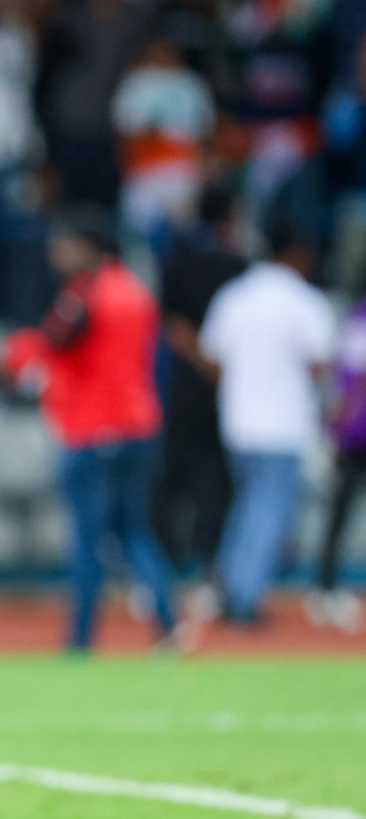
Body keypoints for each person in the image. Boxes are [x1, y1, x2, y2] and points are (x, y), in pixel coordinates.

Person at [3, 206, 179, 652]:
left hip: (91, 427)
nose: (56, 253)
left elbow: (54, 346)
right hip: (139, 424)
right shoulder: (137, 291)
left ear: (89, 248)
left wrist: (16, 354)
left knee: (87, 538)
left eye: (64, 245)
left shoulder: (83, 296)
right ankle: (168, 621)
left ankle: (80, 638)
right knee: (132, 530)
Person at [200, 224, 335, 625]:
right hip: (283, 424)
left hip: (239, 421)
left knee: (247, 506)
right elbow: (319, 363)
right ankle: (243, 596)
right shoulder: (304, 301)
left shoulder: (234, 296)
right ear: (297, 254)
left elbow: (212, 357)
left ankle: (224, 586)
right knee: (268, 513)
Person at [154, 188, 248, 590]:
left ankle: (171, 566)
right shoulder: (239, 264)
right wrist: (212, 361)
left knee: (175, 476)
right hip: (223, 385)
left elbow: (170, 321)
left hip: (189, 385)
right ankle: (205, 565)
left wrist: (198, 356)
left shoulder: (178, 258)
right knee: (215, 480)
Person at [309, 297, 366, 633]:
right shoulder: (358, 318)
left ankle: (325, 588)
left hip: (350, 432)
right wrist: (338, 428)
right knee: (340, 512)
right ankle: (326, 588)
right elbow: (351, 380)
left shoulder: (355, 318)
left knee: (340, 513)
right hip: (356, 435)